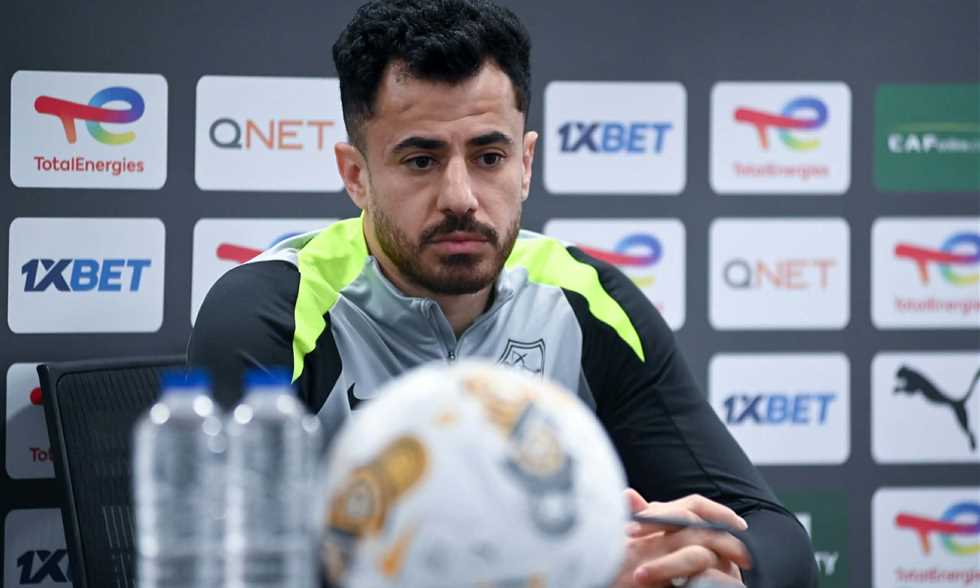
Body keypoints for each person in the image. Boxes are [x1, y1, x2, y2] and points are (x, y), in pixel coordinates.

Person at [189, 1, 818, 585]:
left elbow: (774, 536)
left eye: (489, 157)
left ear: (526, 164)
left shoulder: (588, 301)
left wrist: (703, 567)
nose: (461, 197)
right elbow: (231, 566)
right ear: (356, 175)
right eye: (421, 160)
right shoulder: (271, 313)